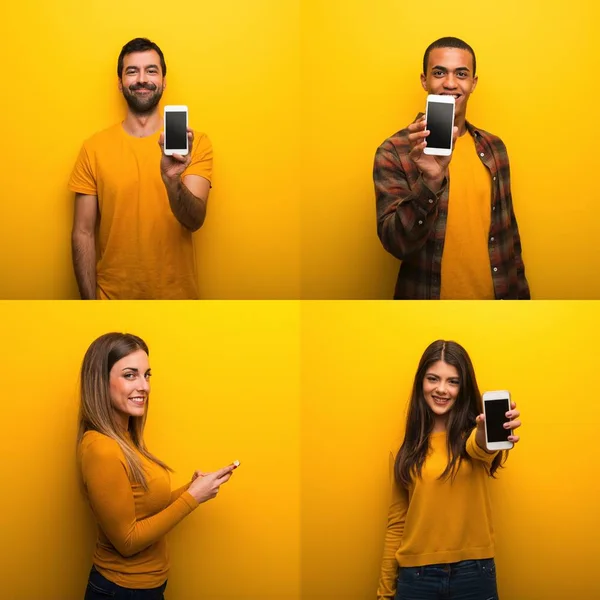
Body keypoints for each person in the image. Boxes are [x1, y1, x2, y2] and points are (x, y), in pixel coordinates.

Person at [77, 332, 237, 599]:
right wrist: (192, 498)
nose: (144, 386)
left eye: (147, 375)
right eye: (130, 375)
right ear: (100, 382)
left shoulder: (124, 438)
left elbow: (141, 509)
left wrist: (193, 488)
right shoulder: (101, 449)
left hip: (144, 588)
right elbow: (127, 542)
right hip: (121, 591)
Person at [374, 37, 530, 300]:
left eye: (461, 74)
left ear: (473, 83)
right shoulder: (394, 151)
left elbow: (509, 239)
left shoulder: (494, 149)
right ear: (424, 80)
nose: (449, 83)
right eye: (439, 73)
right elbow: (396, 243)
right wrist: (431, 182)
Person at [377, 340, 522, 600]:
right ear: (421, 382)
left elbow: (480, 449)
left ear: (463, 387)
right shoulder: (404, 450)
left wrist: (485, 434)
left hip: (474, 575)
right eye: (433, 378)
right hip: (415, 578)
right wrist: (384, 592)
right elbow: (397, 524)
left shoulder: (475, 436)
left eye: (453, 381)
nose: (441, 389)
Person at [69, 38, 213, 300]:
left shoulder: (195, 145)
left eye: (151, 70)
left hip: (178, 300)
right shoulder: (93, 148)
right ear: (120, 82)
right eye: (132, 71)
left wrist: (172, 180)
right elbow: (83, 231)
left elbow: (195, 220)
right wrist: (89, 304)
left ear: (164, 81)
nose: (142, 79)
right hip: (110, 298)